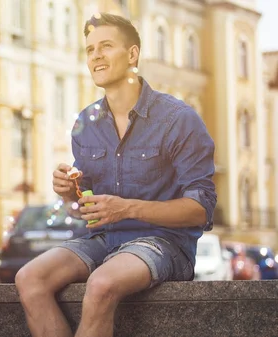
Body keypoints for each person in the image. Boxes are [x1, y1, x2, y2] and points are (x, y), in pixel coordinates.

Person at [15, 13, 216, 337]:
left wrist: (127, 208)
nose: (95, 55)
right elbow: (86, 212)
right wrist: (70, 194)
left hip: (164, 242)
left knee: (102, 284)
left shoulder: (178, 119)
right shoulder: (88, 122)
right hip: (105, 240)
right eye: (90, 49)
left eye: (106, 46)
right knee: (29, 279)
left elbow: (201, 209)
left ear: (132, 54)